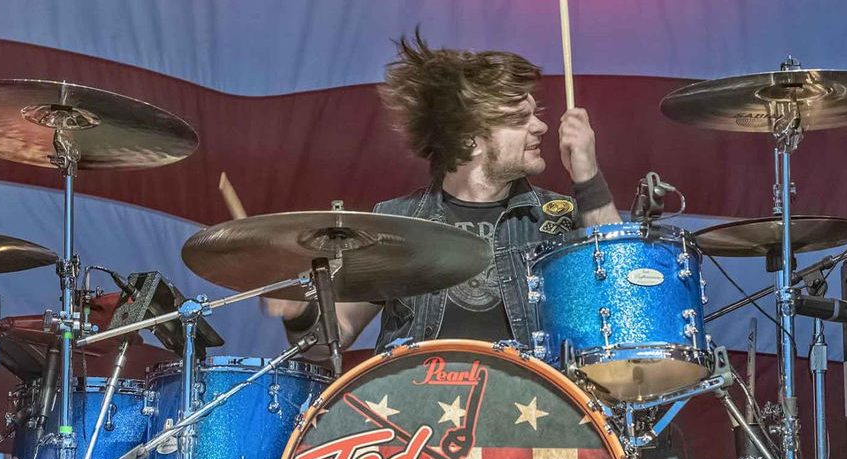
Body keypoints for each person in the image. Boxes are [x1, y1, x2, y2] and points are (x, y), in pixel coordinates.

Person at [265, 33, 621, 353]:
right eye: (518, 118)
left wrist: (587, 177)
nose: (541, 126)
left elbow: (621, 293)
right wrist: (300, 312)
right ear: (470, 140)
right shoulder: (396, 222)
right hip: (414, 415)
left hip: (529, 416)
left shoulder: (555, 217)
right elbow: (334, 337)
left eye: (535, 114)